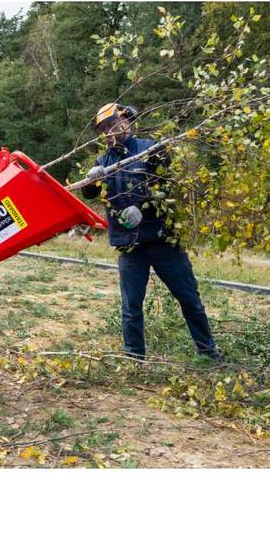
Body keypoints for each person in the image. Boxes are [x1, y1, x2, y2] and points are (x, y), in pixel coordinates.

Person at [81, 102, 222, 363]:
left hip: (162, 240)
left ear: (127, 121)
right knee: (131, 307)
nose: (109, 132)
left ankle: (208, 353)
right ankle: (134, 359)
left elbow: (167, 187)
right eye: (104, 129)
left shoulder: (151, 150)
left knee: (189, 298)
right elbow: (90, 193)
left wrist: (141, 206)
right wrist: (91, 179)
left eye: (113, 125)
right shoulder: (104, 161)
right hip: (129, 245)